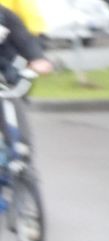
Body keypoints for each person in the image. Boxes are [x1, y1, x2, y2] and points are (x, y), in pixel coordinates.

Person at [0, 6, 53, 161]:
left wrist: (37, 58)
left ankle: (21, 154)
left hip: (5, 76)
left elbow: (22, 37)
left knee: (12, 101)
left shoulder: (3, 14)